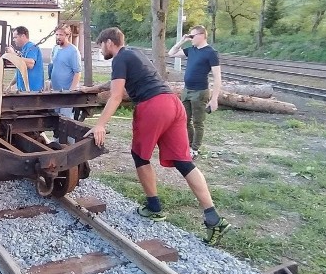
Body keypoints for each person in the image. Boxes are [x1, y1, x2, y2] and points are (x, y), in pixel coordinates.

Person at [83, 27, 230, 245]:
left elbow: (115, 96)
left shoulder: (119, 59)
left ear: (109, 42)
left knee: (140, 156)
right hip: (173, 103)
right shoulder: (134, 54)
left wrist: (100, 125)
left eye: (100, 45)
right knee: (183, 161)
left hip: (153, 106)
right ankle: (213, 218)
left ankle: (154, 207)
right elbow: (122, 84)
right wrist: (96, 88)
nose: (100, 49)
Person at [167, 25, 222, 158]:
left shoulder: (210, 52)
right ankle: (189, 144)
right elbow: (171, 53)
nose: (191, 39)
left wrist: (214, 99)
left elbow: (217, 76)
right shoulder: (192, 50)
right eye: (190, 36)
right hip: (187, 90)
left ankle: (195, 148)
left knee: (198, 122)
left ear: (202, 35)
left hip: (200, 91)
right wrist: (182, 40)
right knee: (184, 119)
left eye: (193, 36)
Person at [48, 26, 82, 116]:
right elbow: (54, 65)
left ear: (67, 36)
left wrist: (71, 91)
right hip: (56, 91)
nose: (58, 37)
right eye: (57, 35)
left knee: (66, 120)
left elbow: (77, 72)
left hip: (66, 92)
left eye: (61, 35)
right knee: (55, 119)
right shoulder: (55, 48)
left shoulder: (73, 51)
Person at [5, 26, 44, 92]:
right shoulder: (23, 50)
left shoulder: (31, 47)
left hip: (33, 90)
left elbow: (30, 64)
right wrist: (10, 85)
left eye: (15, 37)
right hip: (23, 89)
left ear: (23, 36)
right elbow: (20, 71)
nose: (13, 40)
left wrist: (14, 54)